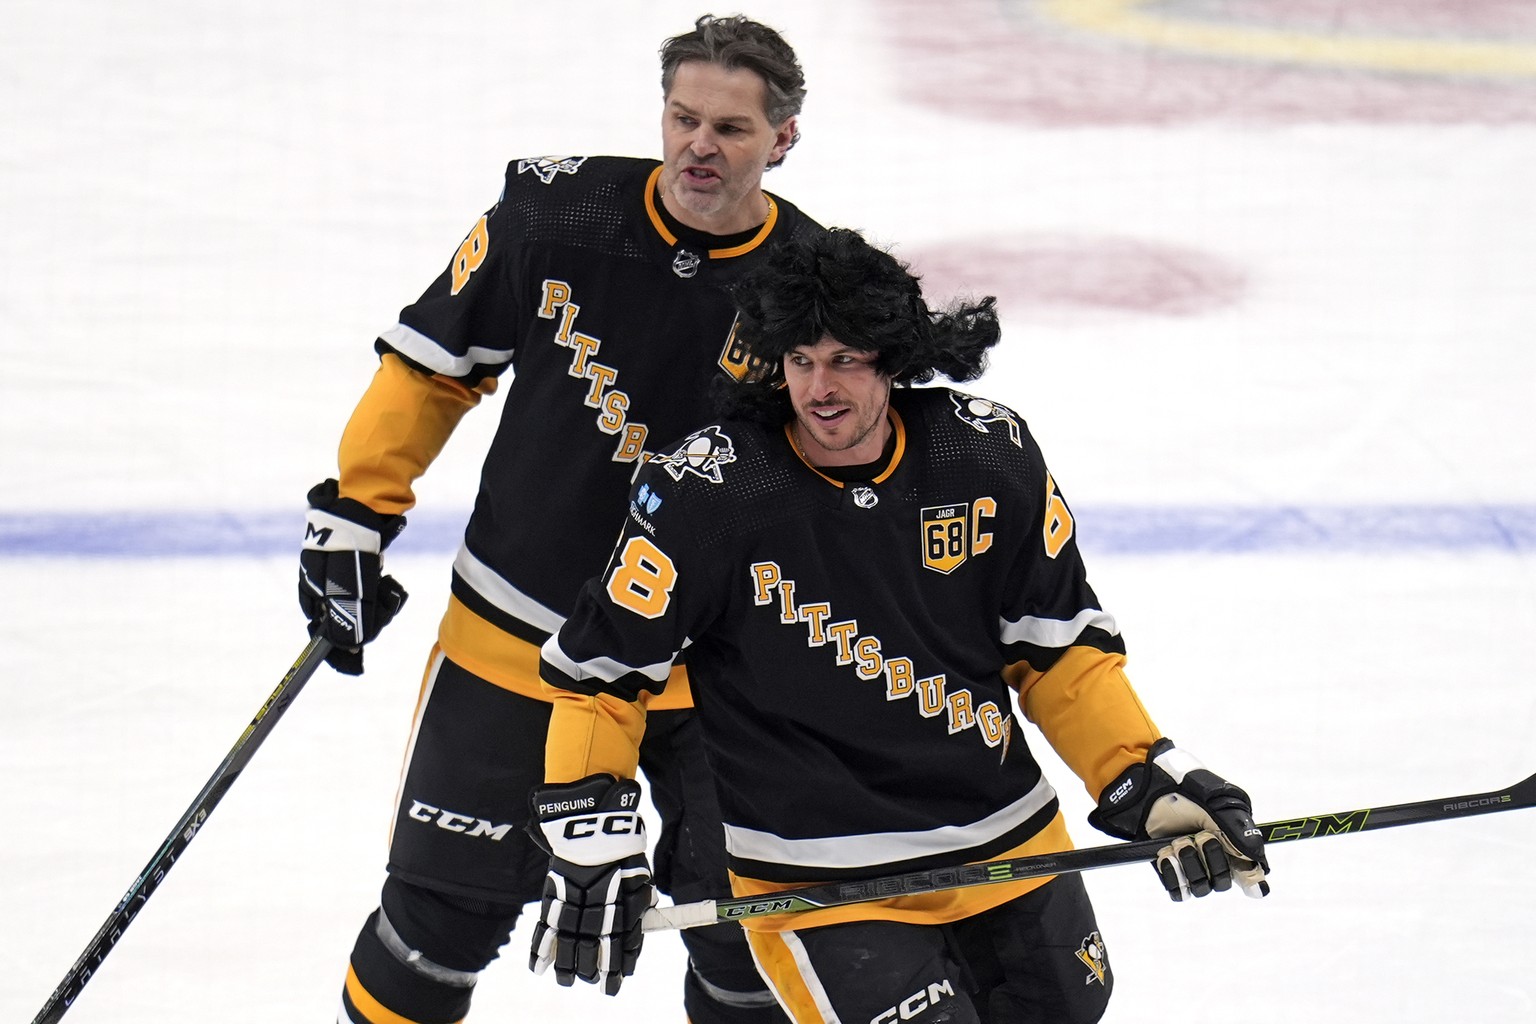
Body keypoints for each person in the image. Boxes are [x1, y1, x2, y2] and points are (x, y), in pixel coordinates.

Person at [528, 228, 1270, 1022]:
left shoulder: (985, 455)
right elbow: (602, 674)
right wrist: (588, 825)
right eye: (802, 359)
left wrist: (1140, 775)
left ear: (893, 358)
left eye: (846, 359)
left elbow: (1059, 655)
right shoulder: (708, 492)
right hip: (819, 878)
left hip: (1007, 842)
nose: (821, 387)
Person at [296, 14, 823, 1024]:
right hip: (517, 641)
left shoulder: (814, 284)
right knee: (433, 927)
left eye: (733, 128)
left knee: (754, 946)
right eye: (684, 118)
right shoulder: (556, 213)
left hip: (721, 673)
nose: (700, 146)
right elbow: (433, 365)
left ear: (783, 139)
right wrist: (356, 510)